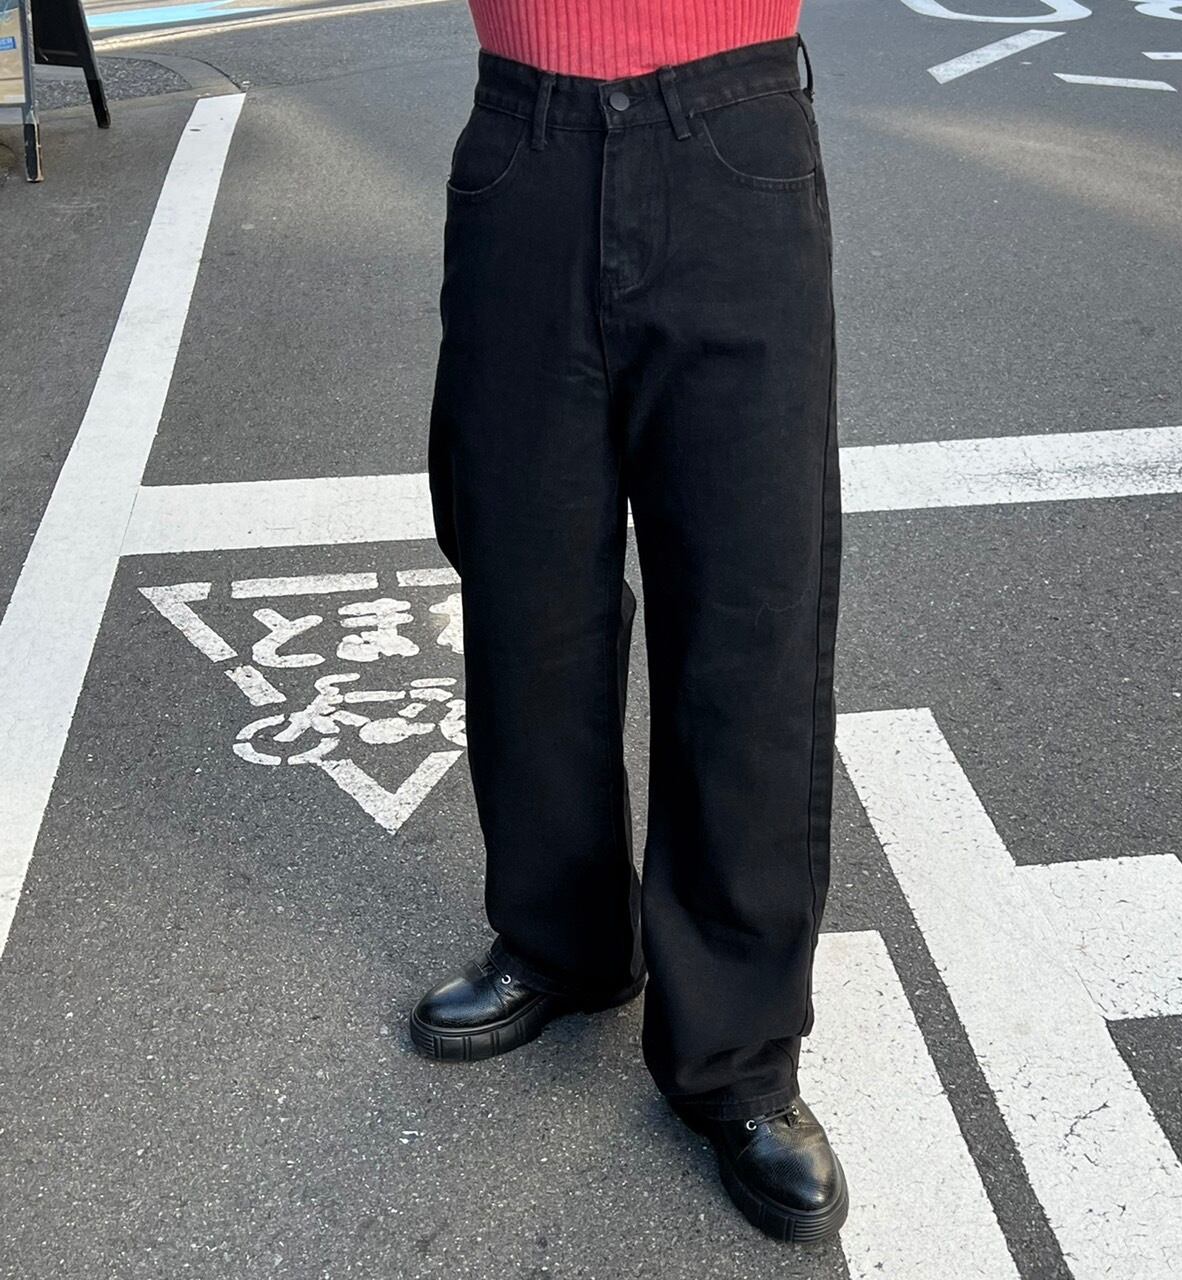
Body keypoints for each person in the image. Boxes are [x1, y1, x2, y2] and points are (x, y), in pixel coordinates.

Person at [413, 0, 846, 1245]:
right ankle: (560, 937)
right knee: (525, 589)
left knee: (747, 617)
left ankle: (737, 1051)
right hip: (523, 144)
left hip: (731, 137)